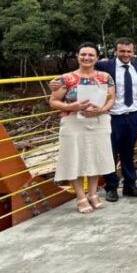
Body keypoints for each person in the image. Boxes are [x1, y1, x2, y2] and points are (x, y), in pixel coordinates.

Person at [50, 42, 116, 213]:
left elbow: (111, 98)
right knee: (75, 158)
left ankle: (93, 194)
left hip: (98, 121)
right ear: (78, 56)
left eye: (91, 55)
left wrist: (101, 109)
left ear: (97, 58)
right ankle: (80, 196)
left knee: (96, 157)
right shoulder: (66, 78)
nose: (87, 58)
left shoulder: (105, 77)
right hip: (74, 122)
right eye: (83, 54)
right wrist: (71, 107)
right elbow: (53, 101)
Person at [98, 37, 137, 202]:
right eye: (122, 51)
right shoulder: (104, 66)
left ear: (133, 52)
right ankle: (111, 187)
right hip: (112, 116)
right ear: (115, 51)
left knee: (128, 152)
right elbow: (83, 72)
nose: (126, 54)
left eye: (129, 51)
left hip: (133, 115)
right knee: (111, 153)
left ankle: (130, 185)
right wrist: (60, 82)